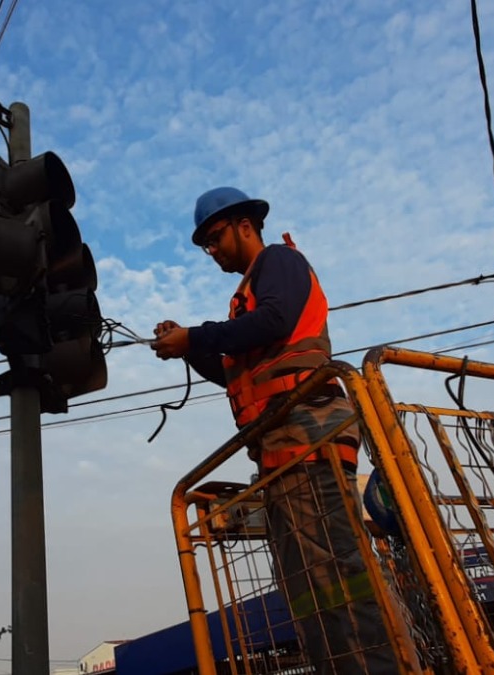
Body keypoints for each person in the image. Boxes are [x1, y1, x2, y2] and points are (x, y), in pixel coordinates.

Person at [152, 187, 397, 674]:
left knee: (340, 569)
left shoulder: (279, 262)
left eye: (215, 237)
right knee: (306, 583)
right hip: (283, 451)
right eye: (205, 244)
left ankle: (382, 666)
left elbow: (275, 320)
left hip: (311, 437)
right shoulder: (244, 303)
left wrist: (196, 336)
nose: (212, 250)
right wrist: (190, 347)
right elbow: (233, 372)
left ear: (245, 225)